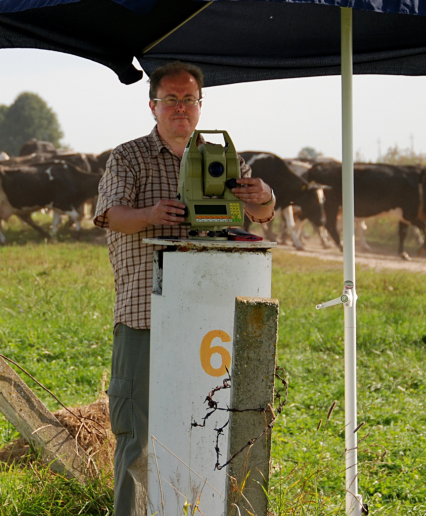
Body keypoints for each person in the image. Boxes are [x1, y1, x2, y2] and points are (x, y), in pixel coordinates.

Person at [92, 61, 275, 516]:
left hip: (212, 321)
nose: (180, 108)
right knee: (138, 433)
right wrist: (152, 214)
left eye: (189, 99)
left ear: (200, 105)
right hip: (145, 315)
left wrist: (263, 196)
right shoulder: (129, 156)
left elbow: (263, 216)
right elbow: (111, 215)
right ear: (152, 105)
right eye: (170, 100)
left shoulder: (224, 158)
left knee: (211, 427)